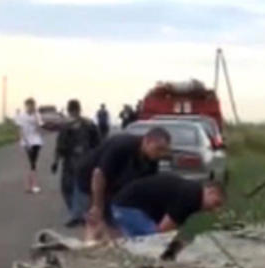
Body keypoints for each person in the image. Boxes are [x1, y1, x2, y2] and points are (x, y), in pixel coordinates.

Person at [73, 127, 172, 240]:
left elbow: (144, 187)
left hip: (112, 185)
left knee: (113, 220)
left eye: (165, 150)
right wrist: (97, 206)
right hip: (89, 180)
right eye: (159, 149)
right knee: (94, 220)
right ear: (146, 141)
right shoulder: (122, 146)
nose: (161, 154)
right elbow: (98, 175)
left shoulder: (152, 160)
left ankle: (108, 245)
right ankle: (89, 248)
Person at [111, 174, 224, 237]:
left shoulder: (193, 193)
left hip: (137, 207)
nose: (214, 210)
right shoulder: (192, 196)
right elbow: (163, 232)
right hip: (128, 206)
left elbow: (173, 228)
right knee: (151, 240)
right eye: (216, 203)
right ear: (211, 191)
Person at [52, 99, 101, 227]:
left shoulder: (66, 126)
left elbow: (59, 146)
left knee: (70, 188)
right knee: (80, 188)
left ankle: (77, 215)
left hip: (72, 161)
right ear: (79, 109)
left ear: (69, 110)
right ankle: (79, 214)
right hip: (86, 160)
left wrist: (55, 162)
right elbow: (98, 143)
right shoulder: (89, 124)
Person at [15, 98, 44, 193]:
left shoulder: (37, 115)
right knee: (30, 163)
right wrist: (22, 139)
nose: (31, 107)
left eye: (33, 105)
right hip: (26, 140)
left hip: (36, 141)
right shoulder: (21, 116)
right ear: (26, 105)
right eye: (29, 105)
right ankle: (31, 184)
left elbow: (40, 128)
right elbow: (20, 129)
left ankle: (33, 185)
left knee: (32, 162)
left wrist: (36, 118)